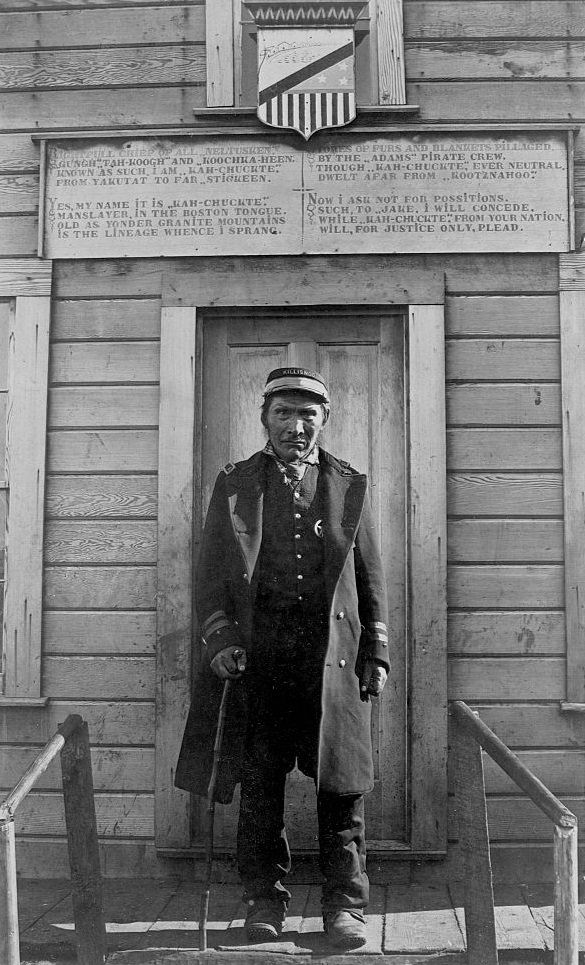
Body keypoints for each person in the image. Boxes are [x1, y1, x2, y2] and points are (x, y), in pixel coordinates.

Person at [175, 366, 389, 950]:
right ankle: (263, 903)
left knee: (342, 791)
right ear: (265, 418)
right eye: (284, 414)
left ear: (325, 419)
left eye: (308, 415)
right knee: (260, 789)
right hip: (260, 664)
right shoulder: (236, 483)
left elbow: (369, 578)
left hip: (333, 664)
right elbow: (212, 575)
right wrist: (220, 641)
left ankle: (345, 908)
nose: (296, 427)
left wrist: (378, 650)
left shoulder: (348, 485)